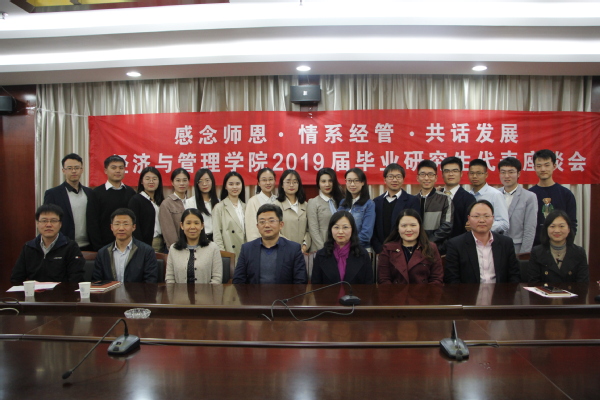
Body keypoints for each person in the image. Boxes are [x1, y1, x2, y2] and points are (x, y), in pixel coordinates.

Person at [444, 200, 520, 284]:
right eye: (476, 216)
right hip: (468, 291)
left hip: (499, 291)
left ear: (493, 218)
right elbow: (452, 279)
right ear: (469, 219)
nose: (482, 220)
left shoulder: (506, 243)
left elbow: (514, 275)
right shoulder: (456, 244)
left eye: (486, 216)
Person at [233, 204, 307, 284]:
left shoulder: (293, 249)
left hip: (285, 292)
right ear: (257, 226)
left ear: (281, 225)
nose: (267, 225)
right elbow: (238, 280)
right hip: (254, 292)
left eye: (271, 221)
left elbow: (301, 281)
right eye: (262, 222)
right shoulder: (247, 249)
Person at [10, 204, 85, 284]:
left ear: (60, 224)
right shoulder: (29, 247)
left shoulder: (70, 247)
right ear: (37, 224)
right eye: (44, 221)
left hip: (62, 291)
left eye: (53, 221)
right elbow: (16, 278)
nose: (49, 225)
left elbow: (76, 279)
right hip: (35, 291)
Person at [377, 208, 443, 284]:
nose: (408, 229)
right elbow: (383, 279)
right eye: (404, 226)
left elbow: (437, 278)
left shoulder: (431, 248)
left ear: (420, 227)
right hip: (395, 291)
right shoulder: (388, 249)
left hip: (424, 291)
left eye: (413, 225)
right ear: (398, 228)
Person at [92, 208, 158, 283]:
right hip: (110, 291)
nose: (121, 228)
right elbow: (97, 281)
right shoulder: (103, 253)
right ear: (111, 227)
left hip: (137, 291)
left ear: (134, 227)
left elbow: (150, 282)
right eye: (117, 224)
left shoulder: (146, 251)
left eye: (126, 224)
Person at [43, 153, 93, 250]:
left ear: (82, 170)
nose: (74, 171)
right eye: (69, 168)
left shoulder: (89, 192)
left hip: (88, 245)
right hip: (63, 245)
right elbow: (48, 220)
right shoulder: (53, 194)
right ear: (63, 170)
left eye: (77, 168)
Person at [86, 155, 136, 251]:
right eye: (114, 168)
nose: (118, 171)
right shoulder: (96, 193)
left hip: (128, 245)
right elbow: (92, 223)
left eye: (121, 168)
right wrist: (98, 248)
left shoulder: (131, 192)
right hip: (104, 246)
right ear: (105, 170)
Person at [529, 149, 577, 245]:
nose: (543, 169)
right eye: (539, 166)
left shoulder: (566, 194)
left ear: (554, 166)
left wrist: (566, 245)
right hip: (534, 247)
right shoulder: (529, 195)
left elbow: (572, 223)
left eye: (547, 165)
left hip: (560, 246)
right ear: (534, 168)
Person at [311, 211, 373, 284]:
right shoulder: (321, 255)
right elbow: (315, 285)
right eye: (336, 227)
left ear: (352, 229)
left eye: (345, 227)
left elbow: (369, 285)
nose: (340, 232)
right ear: (330, 230)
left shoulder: (363, 254)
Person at [528, 210, 588, 284]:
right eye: (552, 226)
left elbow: (583, 284)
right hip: (544, 291)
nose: (557, 230)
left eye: (561, 226)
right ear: (546, 229)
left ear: (569, 229)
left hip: (573, 292)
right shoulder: (537, 252)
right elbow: (533, 283)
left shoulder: (579, 253)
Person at [372, 163, 420, 254]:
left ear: (403, 179)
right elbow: (373, 229)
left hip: (404, 251)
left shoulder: (412, 201)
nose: (394, 180)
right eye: (391, 177)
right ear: (385, 179)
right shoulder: (376, 202)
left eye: (398, 177)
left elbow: (415, 226)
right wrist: (379, 249)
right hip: (382, 251)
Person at [165, 209, 222, 284]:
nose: (192, 227)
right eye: (188, 223)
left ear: (202, 226)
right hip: (179, 291)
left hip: (207, 291)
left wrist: (207, 292)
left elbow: (217, 279)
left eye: (196, 223)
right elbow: (169, 278)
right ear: (182, 225)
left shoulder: (213, 248)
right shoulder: (173, 249)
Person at [498, 157, 538, 254]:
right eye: (503, 172)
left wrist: (524, 254)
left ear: (518, 174)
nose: (506, 176)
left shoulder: (529, 197)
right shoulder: (495, 194)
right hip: (496, 246)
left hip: (517, 247)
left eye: (511, 172)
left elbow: (530, 229)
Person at [415, 160, 453, 254]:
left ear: (436, 178)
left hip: (437, 249)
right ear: (417, 177)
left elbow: (447, 226)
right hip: (415, 249)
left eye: (430, 174)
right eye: (423, 174)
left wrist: (428, 243)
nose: (426, 178)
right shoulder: (413, 199)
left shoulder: (445, 199)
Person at [467, 158, 509, 234]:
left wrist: (482, 225)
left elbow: (504, 223)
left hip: (489, 238)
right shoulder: (468, 195)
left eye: (479, 173)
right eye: (471, 173)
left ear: (486, 175)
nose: (475, 176)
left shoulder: (495, 194)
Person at [128, 166, 165, 252]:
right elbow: (134, 226)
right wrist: (140, 247)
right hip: (146, 244)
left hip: (162, 243)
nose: (151, 181)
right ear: (142, 181)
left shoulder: (161, 201)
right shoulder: (136, 200)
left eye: (154, 179)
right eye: (147, 179)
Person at [338, 168, 376, 252]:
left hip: (360, 249)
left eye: (356, 181)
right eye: (349, 181)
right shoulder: (342, 203)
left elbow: (366, 234)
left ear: (363, 182)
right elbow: (337, 226)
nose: (352, 184)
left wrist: (347, 245)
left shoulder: (369, 204)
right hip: (341, 249)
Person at [307, 168, 344, 252]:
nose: (327, 184)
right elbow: (313, 230)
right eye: (323, 181)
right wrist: (323, 249)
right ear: (318, 183)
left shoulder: (340, 201)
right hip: (320, 248)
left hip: (339, 247)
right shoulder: (313, 202)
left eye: (330, 181)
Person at [274, 169, 311, 253]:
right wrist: (290, 247)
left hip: (302, 252)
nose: (291, 185)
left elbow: (309, 230)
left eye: (295, 182)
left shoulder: (305, 205)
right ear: (282, 185)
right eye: (288, 182)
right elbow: (275, 230)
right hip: (282, 250)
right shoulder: (276, 205)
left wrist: (304, 246)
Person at [439, 156, 476, 239]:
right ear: (442, 174)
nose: (451, 174)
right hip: (435, 244)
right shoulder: (436, 195)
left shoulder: (469, 199)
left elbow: (468, 227)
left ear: (461, 174)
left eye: (455, 171)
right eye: (447, 171)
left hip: (458, 243)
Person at [159, 168, 196, 250]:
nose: (181, 183)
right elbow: (169, 233)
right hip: (177, 248)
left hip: (194, 247)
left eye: (184, 180)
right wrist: (177, 249)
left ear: (188, 182)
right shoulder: (166, 204)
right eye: (178, 180)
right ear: (172, 182)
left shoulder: (192, 202)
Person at [213, 171, 246, 259]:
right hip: (229, 252)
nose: (234, 187)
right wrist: (223, 255)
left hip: (245, 252)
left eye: (238, 184)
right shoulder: (219, 207)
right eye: (231, 184)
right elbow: (217, 235)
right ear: (225, 186)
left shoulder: (246, 206)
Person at [245, 168, 277, 242]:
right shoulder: (252, 202)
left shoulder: (278, 200)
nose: (268, 183)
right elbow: (251, 230)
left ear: (275, 181)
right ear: (259, 183)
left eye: (270, 179)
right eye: (264, 180)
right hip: (260, 245)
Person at [193, 168, 219, 242]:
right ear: (197, 184)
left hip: (217, 239)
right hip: (199, 239)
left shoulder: (219, 202)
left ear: (212, 181)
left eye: (207, 180)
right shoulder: (190, 202)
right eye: (200, 181)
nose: (204, 184)